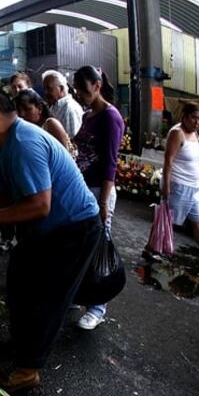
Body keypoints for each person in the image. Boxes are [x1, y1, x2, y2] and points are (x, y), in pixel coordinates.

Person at [0, 86, 101, 392]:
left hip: (74, 227)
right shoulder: (4, 145)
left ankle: (28, 369)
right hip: (46, 228)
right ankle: (22, 345)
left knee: (47, 298)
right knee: (20, 281)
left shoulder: (24, 142)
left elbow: (40, 204)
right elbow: (8, 192)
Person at [71, 65, 125, 331]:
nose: (79, 94)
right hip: (82, 188)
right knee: (81, 245)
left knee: (98, 248)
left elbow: (110, 163)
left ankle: (98, 307)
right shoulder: (89, 114)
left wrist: (104, 202)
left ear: (97, 85)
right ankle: (79, 294)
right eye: (76, 89)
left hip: (98, 191)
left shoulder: (110, 117)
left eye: (82, 89)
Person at [145, 102, 199, 268]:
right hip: (178, 186)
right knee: (166, 219)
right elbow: (168, 162)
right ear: (185, 117)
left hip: (194, 188)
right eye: (194, 118)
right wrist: (166, 186)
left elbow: (195, 162)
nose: (197, 122)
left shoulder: (194, 135)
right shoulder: (176, 133)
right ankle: (150, 248)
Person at [13, 89, 75, 154]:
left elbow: (65, 154)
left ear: (40, 108)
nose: (22, 114)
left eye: (27, 109)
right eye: (19, 111)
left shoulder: (51, 124)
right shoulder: (25, 129)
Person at [42, 70, 84, 139]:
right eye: (45, 89)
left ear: (61, 88)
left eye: (49, 89)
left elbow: (72, 141)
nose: (46, 92)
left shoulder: (69, 108)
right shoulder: (55, 106)